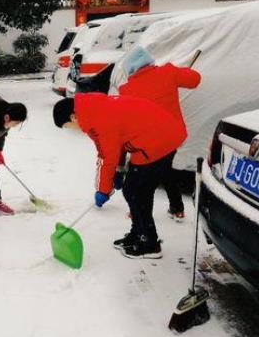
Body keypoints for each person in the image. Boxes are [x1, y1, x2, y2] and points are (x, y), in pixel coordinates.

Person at [53, 93, 186, 259]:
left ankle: (149, 243)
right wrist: (118, 170)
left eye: (67, 126)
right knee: (132, 189)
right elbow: (113, 143)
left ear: (73, 117)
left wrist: (103, 190)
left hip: (158, 138)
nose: (72, 129)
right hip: (152, 134)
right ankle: (138, 233)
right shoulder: (91, 111)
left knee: (137, 192)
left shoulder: (97, 119)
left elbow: (107, 157)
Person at [115, 46, 201, 222]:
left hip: (149, 144)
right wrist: (181, 72)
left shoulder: (126, 90)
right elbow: (195, 80)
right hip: (173, 138)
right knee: (165, 170)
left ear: (130, 69)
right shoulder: (168, 72)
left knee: (147, 181)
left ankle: (138, 212)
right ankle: (177, 209)